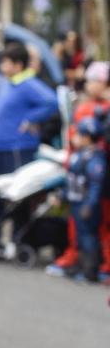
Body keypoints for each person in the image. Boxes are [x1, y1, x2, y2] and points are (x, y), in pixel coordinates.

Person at [0, 41, 59, 260]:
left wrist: (30, 119)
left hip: (17, 147)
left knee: (17, 195)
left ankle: (17, 241)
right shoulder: (5, 82)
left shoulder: (29, 84)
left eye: (7, 63)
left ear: (18, 65)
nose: (2, 67)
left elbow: (51, 101)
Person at [47, 61, 110, 278]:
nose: (89, 84)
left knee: (98, 226)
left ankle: (96, 266)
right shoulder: (87, 106)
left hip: (97, 181)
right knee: (80, 226)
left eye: (95, 80)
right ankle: (79, 259)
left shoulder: (103, 111)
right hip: (79, 178)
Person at [58, 115, 105, 282]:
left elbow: (95, 184)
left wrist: (90, 204)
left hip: (85, 204)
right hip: (75, 201)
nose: (75, 137)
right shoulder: (79, 154)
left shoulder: (95, 157)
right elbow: (70, 178)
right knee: (78, 235)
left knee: (88, 236)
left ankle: (90, 270)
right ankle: (80, 264)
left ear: (87, 137)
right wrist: (63, 195)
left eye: (79, 134)